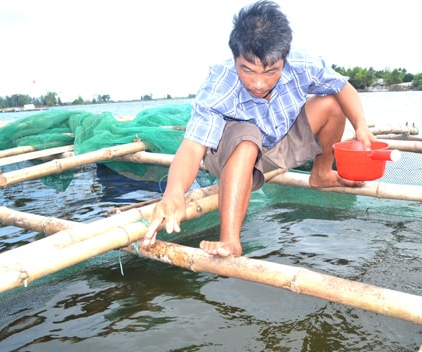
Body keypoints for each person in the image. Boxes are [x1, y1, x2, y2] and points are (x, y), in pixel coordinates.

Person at [142, 0, 375, 257]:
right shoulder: (220, 85)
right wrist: (174, 193)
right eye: (248, 71)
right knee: (246, 137)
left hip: (277, 142)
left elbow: (342, 87)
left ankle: (320, 173)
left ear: (284, 59)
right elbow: (193, 145)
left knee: (333, 102)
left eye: (271, 71)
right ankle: (230, 240)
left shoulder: (303, 64)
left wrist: (361, 126)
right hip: (232, 154)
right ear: (235, 58)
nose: (259, 83)